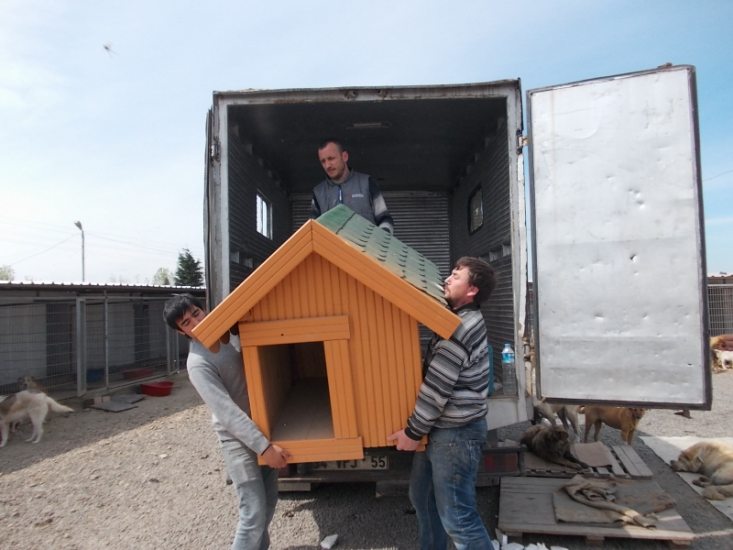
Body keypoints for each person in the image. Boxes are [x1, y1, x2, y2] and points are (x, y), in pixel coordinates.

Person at [163, 294, 290, 550]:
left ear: (204, 309)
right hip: (237, 440)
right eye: (187, 323)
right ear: (181, 332)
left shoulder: (232, 335)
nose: (196, 323)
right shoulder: (198, 364)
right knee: (252, 513)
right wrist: (264, 448)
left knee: (268, 504)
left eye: (196, 313)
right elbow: (226, 412)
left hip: (260, 427)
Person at [388, 257, 496, 550]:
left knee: (458, 517)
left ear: (471, 290)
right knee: (422, 496)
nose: (447, 279)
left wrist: (411, 434)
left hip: (455, 435)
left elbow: (436, 391)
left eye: (456, 275)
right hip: (441, 430)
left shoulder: (458, 327)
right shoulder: (454, 318)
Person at [310, 138, 394, 233]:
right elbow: (313, 231)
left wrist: (379, 243)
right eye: (323, 161)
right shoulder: (318, 192)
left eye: (331, 158)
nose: (327, 165)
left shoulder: (367, 182)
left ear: (345, 156)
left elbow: (385, 219)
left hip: (365, 247)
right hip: (332, 248)